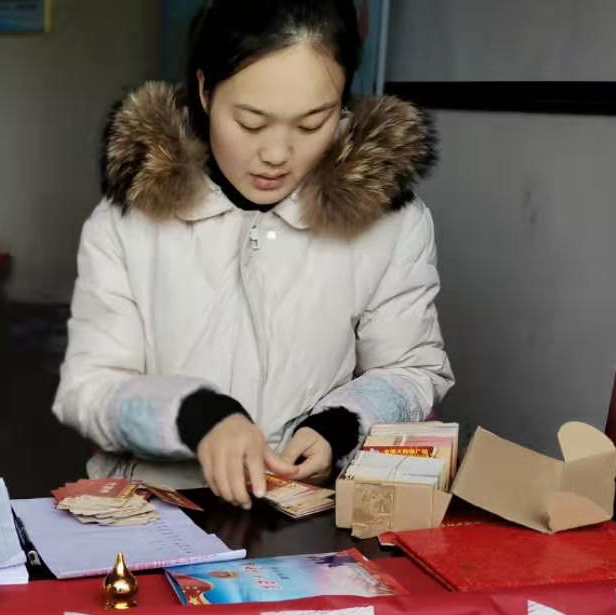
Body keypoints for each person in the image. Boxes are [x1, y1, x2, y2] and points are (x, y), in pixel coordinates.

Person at [54, 0, 452, 508]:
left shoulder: (389, 220)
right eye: (250, 122)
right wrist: (196, 417)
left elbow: (413, 370)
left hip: (304, 514)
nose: (277, 154)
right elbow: (89, 389)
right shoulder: (129, 220)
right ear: (204, 91)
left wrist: (338, 426)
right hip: (156, 510)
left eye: (312, 124)